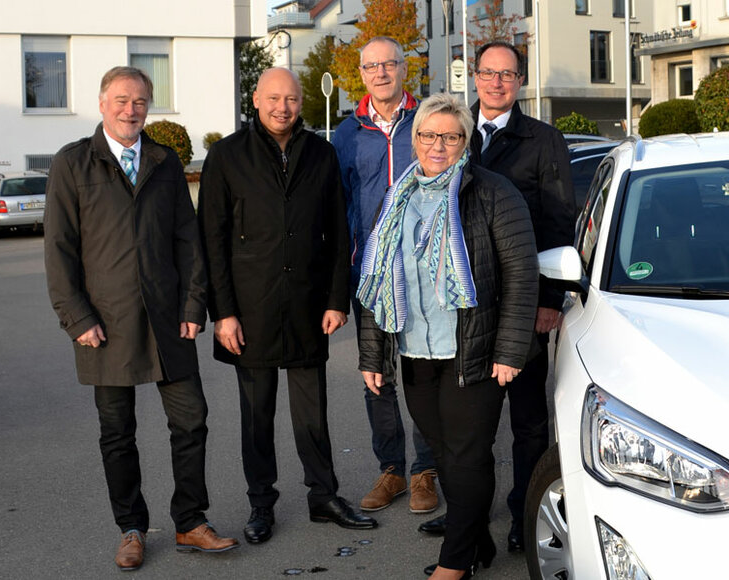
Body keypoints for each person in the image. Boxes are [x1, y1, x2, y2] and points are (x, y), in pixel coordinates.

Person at [44, 66, 238, 573]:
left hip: (168, 321)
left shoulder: (165, 161)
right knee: (117, 432)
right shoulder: (72, 163)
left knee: (191, 420)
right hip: (103, 326)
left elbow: (187, 240)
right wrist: (77, 318)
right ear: (103, 103)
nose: (131, 110)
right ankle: (130, 529)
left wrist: (194, 307)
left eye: (141, 101)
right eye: (122, 100)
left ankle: (191, 521)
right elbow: (59, 251)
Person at [357, 93, 538, 579]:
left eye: (451, 136)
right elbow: (377, 281)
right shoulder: (397, 199)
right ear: (414, 140)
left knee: (466, 457)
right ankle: (477, 542)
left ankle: (454, 563)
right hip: (416, 353)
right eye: (428, 135)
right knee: (443, 453)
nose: (439, 145)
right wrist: (373, 357)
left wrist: (509, 350)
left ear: (466, 141)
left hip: (473, 354)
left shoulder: (494, 193)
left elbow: (521, 275)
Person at [198, 67, 377, 547]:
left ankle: (324, 496)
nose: (283, 107)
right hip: (248, 311)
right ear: (255, 99)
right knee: (256, 418)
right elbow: (211, 241)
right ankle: (261, 505)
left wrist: (337, 299)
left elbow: (340, 232)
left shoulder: (321, 154)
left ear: (301, 103)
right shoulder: (227, 156)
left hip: (306, 307)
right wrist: (224, 313)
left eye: (292, 99)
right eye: (274, 98)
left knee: (312, 415)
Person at [418, 41, 576, 553]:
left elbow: (557, 220)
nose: (496, 82)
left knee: (528, 423)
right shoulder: (458, 134)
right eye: (488, 73)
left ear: (520, 82)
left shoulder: (543, 140)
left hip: (523, 306)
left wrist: (549, 298)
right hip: (465, 313)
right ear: (475, 78)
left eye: (507, 75)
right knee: (470, 430)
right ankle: (469, 520)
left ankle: (522, 517)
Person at [333, 36, 438, 515]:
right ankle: (392, 469)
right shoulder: (346, 134)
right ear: (361, 73)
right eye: (371, 66)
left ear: (403, 69)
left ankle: (425, 471)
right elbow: (339, 207)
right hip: (370, 275)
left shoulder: (430, 121)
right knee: (377, 376)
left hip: (424, 273)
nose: (381, 73)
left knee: (422, 370)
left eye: (389, 64)